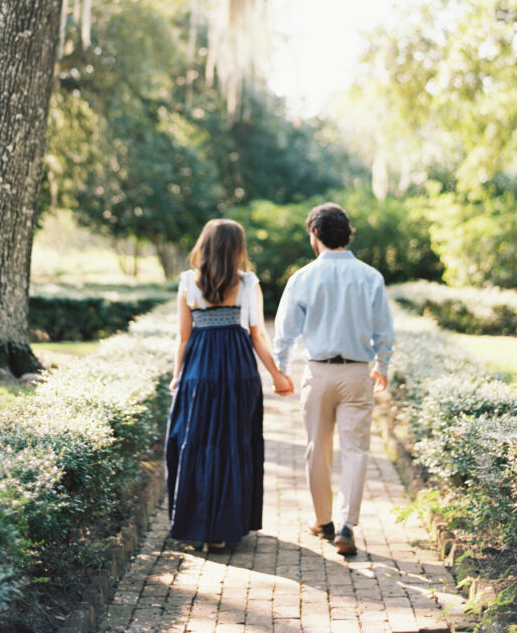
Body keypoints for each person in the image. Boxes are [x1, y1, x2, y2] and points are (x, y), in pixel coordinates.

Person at [273, 202, 395, 557]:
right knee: (356, 451)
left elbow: (285, 332)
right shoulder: (370, 276)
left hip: (319, 371)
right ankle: (346, 526)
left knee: (318, 449)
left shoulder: (303, 277)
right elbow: (384, 330)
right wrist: (382, 366)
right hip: (357, 371)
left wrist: (282, 371)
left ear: (315, 234)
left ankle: (323, 521)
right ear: (347, 234)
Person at [166, 218, 293, 550]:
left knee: (196, 443)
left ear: (204, 246)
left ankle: (199, 528)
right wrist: (277, 376)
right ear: (238, 248)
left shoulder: (186, 284)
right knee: (234, 443)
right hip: (237, 370)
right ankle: (224, 528)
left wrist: (178, 377)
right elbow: (257, 334)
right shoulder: (248, 283)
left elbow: (183, 338)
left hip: (199, 371)